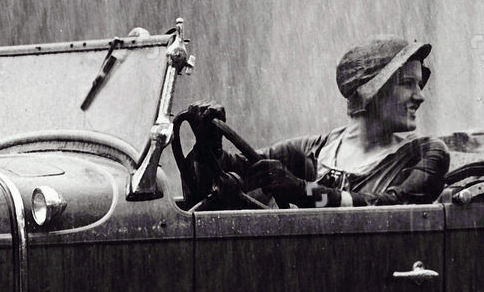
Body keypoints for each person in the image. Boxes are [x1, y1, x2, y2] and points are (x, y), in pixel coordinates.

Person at [188, 36, 449, 207]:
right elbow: (226, 183)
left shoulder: (427, 153)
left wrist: (302, 191)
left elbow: (393, 208)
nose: (420, 96)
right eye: (407, 84)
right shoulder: (310, 151)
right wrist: (210, 149)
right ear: (372, 90)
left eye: (419, 84)